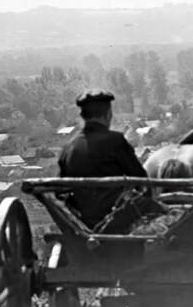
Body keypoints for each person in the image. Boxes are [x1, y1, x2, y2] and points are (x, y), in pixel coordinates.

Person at [58, 90, 147, 228]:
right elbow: (140, 178)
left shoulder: (69, 147)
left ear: (82, 116)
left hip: (83, 222)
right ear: (108, 114)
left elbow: (60, 190)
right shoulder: (115, 141)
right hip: (117, 221)